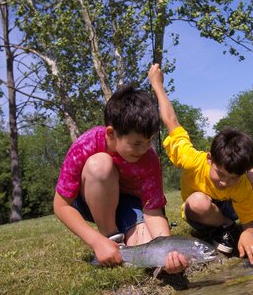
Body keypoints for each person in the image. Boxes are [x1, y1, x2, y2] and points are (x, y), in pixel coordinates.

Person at [149, 64, 253, 267]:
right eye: (221, 174)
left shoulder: (240, 183)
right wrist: (157, 84)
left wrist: (249, 234)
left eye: (234, 177)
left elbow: (250, 223)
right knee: (198, 200)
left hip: (231, 208)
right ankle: (225, 228)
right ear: (210, 159)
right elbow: (171, 121)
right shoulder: (191, 160)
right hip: (200, 213)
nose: (225, 182)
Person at [53, 83, 188, 273]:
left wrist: (167, 250)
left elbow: (153, 211)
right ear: (111, 133)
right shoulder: (86, 144)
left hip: (128, 206)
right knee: (100, 164)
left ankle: (123, 246)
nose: (144, 149)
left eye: (149, 141)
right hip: (91, 199)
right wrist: (96, 241)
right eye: (137, 143)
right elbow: (61, 206)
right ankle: (111, 238)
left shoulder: (149, 159)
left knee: (151, 255)